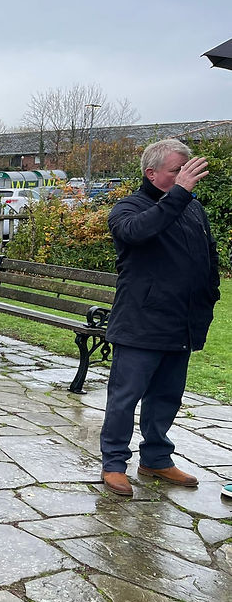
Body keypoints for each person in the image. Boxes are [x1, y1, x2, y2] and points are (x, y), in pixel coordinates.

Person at [100, 139, 220, 497]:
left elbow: (208, 255)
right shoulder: (128, 208)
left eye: (185, 169)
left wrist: (209, 294)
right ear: (151, 173)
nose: (184, 175)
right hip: (140, 324)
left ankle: (155, 458)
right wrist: (179, 193)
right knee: (125, 399)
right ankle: (114, 464)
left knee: (167, 397)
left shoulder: (192, 208)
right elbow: (137, 232)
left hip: (181, 324)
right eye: (176, 170)